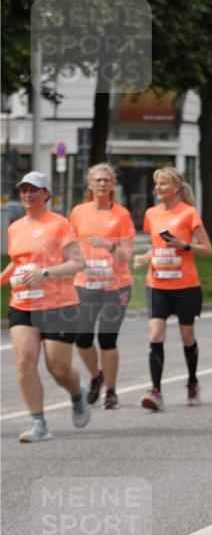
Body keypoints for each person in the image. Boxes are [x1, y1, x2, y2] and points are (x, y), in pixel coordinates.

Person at [1, 172, 91, 442]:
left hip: (58, 304)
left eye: (34, 190)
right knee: (24, 362)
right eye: (24, 190)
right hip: (23, 302)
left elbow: (78, 263)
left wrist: (46, 273)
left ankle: (77, 394)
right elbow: (18, 262)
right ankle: (38, 423)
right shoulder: (15, 227)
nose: (27, 195)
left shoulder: (59, 224)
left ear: (46, 194)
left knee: (58, 369)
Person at [134, 167, 212, 411]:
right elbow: (157, 246)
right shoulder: (151, 214)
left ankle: (192, 382)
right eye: (156, 184)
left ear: (176, 187)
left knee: (187, 336)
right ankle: (155, 391)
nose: (157, 188)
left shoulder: (189, 213)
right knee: (155, 334)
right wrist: (146, 256)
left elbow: (207, 248)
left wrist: (183, 244)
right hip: (157, 283)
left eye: (163, 184)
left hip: (185, 284)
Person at [70, 164, 135, 409]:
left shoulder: (121, 215)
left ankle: (111, 391)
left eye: (106, 180)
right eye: (97, 180)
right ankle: (96, 376)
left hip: (115, 285)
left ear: (112, 184)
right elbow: (70, 246)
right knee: (82, 338)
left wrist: (109, 246)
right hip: (85, 284)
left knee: (107, 339)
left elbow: (126, 255)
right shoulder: (78, 212)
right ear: (89, 184)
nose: (102, 184)